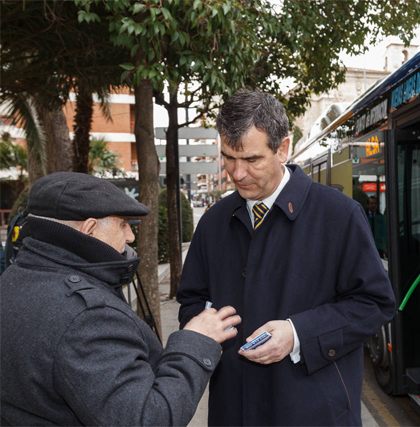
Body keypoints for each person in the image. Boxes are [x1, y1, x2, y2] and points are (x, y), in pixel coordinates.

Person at [177, 90, 395, 426]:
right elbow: (191, 300)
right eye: (228, 158)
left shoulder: (339, 215)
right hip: (233, 411)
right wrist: (208, 328)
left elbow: (374, 303)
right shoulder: (212, 222)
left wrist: (298, 335)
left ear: (283, 148)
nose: (237, 174)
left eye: (251, 160)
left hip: (314, 413)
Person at [0, 172, 241, 426]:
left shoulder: (14, 280)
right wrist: (196, 342)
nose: (130, 236)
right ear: (90, 229)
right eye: (122, 224)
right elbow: (148, 419)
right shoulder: (87, 318)